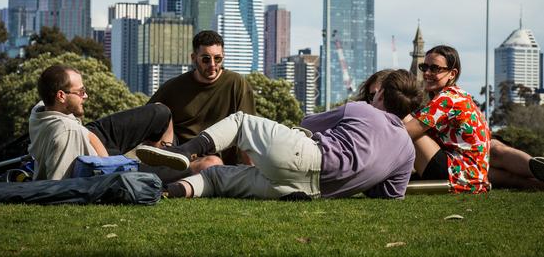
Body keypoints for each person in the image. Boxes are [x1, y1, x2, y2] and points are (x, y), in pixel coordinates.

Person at [136, 69, 422, 200]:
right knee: (217, 179)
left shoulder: (362, 109)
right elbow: (388, 196)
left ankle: (183, 152)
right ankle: (167, 192)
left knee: (241, 122)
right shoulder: (407, 150)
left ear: (381, 93)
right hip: (310, 191)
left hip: (306, 156)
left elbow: (308, 121)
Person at [29, 64, 221, 181]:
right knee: (209, 164)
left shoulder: (40, 111)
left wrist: (93, 140)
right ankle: (173, 162)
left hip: (95, 137)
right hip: (101, 165)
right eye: (80, 92)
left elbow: (82, 132)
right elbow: (58, 185)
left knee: (160, 112)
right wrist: (110, 163)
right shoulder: (66, 131)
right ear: (61, 96)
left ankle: (165, 154)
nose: (86, 96)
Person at [403, 45, 544, 193]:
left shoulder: (446, 99)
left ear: (452, 73)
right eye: (424, 67)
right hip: (475, 173)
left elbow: (406, 133)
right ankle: (537, 181)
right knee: (500, 157)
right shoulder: (460, 94)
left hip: (456, 172)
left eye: (435, 68)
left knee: (405, 121)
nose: (427, 73)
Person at [148, 30, 255, 164]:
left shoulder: (236, 83)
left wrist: (252, 171)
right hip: (178, 158)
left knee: (211, 163)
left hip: (216, 163)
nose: (212, 64)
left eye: (218, 59)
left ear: (223, 57)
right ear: (193, 58)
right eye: (205, 59)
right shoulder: (174, 87)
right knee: (158, 111)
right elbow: (148, 119)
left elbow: (248, 130)